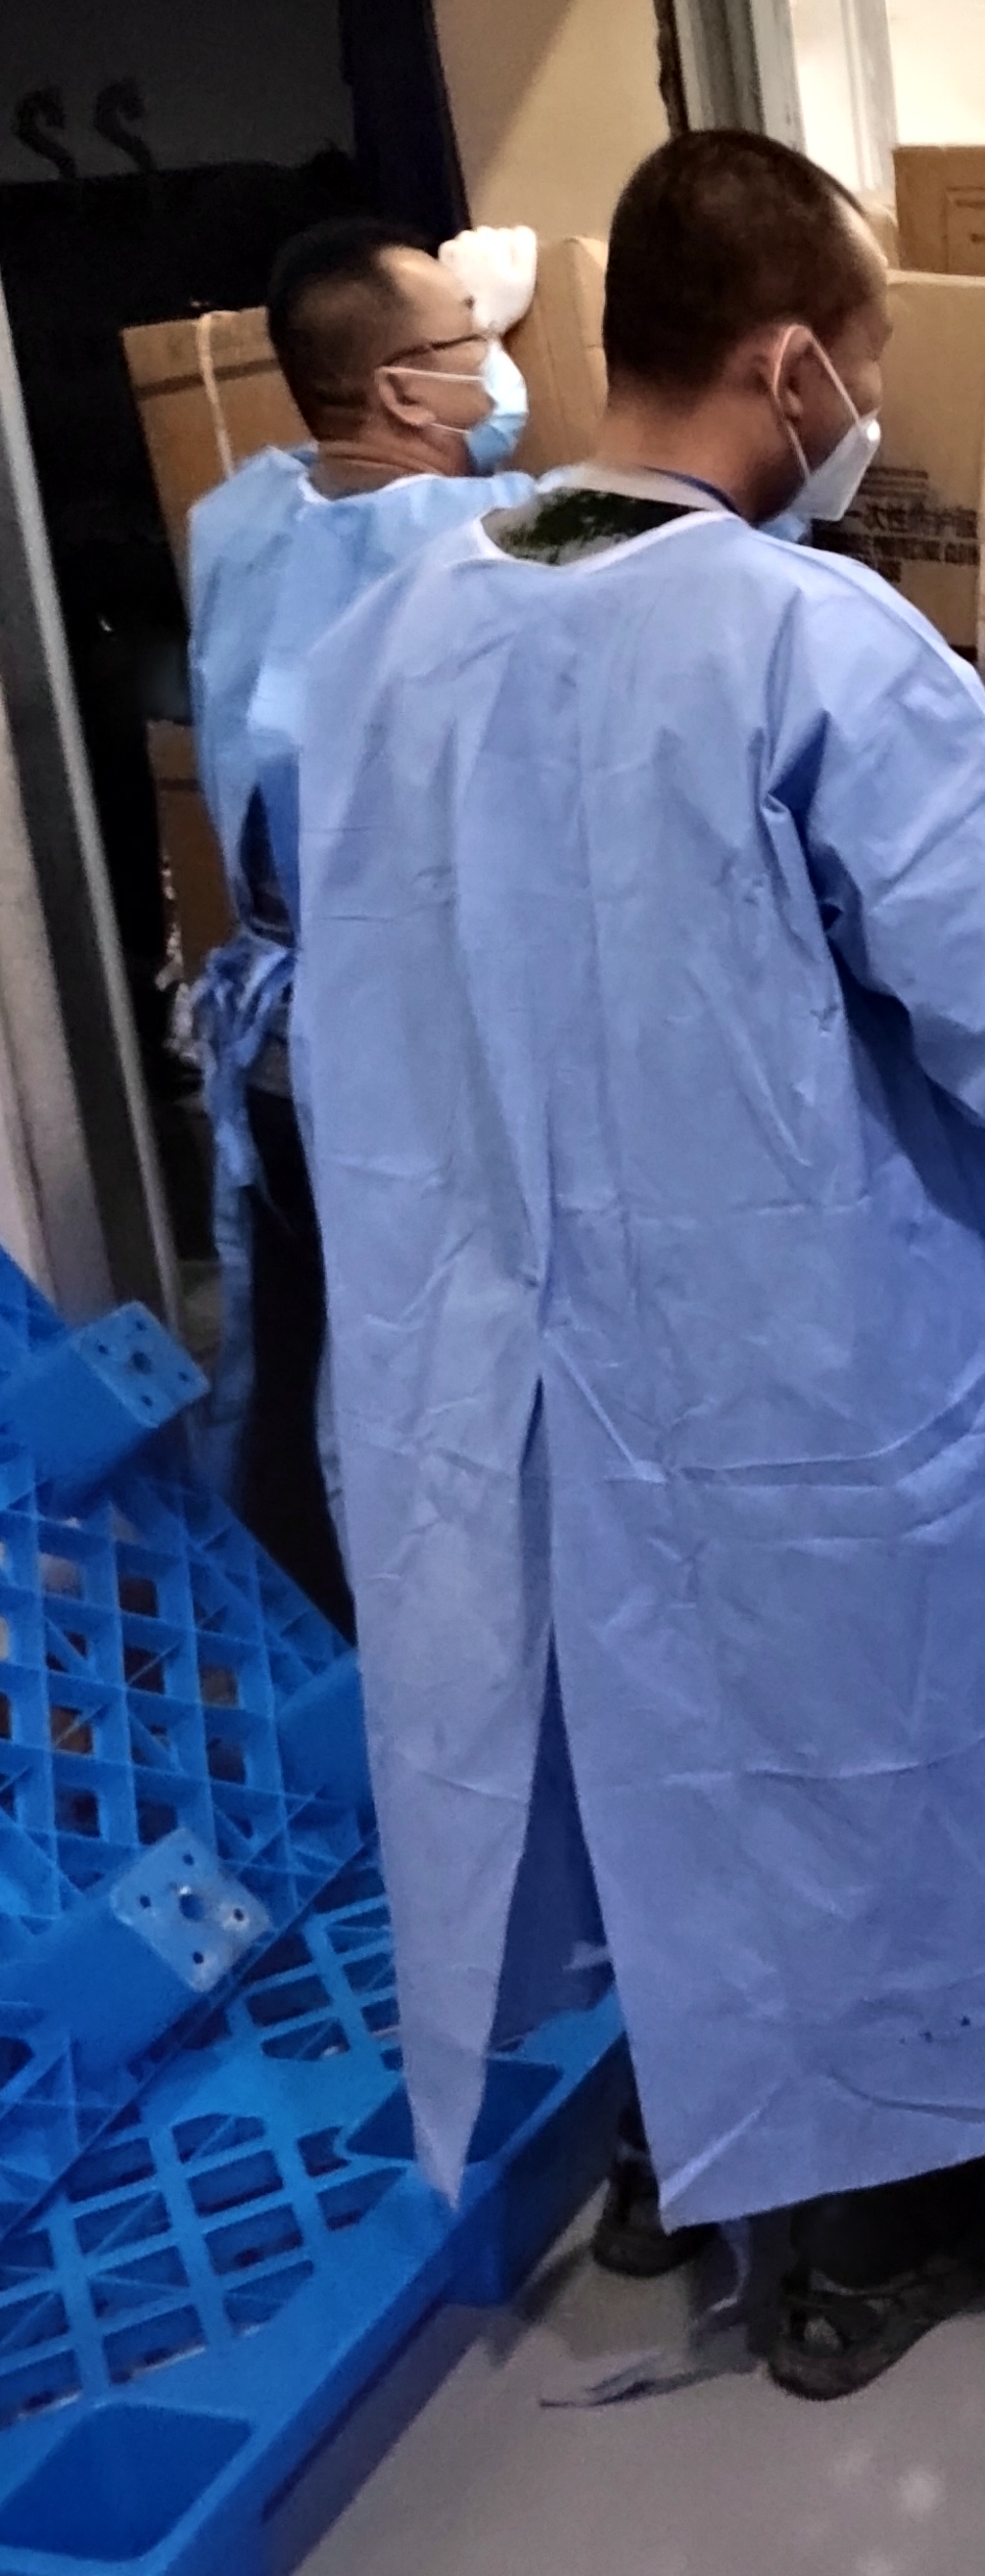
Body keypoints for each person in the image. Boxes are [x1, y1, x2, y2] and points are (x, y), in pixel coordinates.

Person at [291, 128, 985, 2401]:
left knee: (629, 1751)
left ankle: (682, 2145)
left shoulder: (405, 620)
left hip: (494, 1345)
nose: (863, 414)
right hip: (795, 1353)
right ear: (792, 367)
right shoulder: (807, 637)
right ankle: (868, 2205)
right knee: (854, 1759)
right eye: (862, 368)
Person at [183, 216, 539, 1628]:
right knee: (421, 1394)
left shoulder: (237, 522)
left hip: (266, 1043)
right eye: (472, 341)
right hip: (391, 1057)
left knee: (290, 1345)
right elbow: (690, 527)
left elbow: (318, 481)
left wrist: (456, 331)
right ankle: (408, 1675)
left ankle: (286, 1647)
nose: (495, 364)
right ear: (401, 389)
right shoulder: (483, 541)